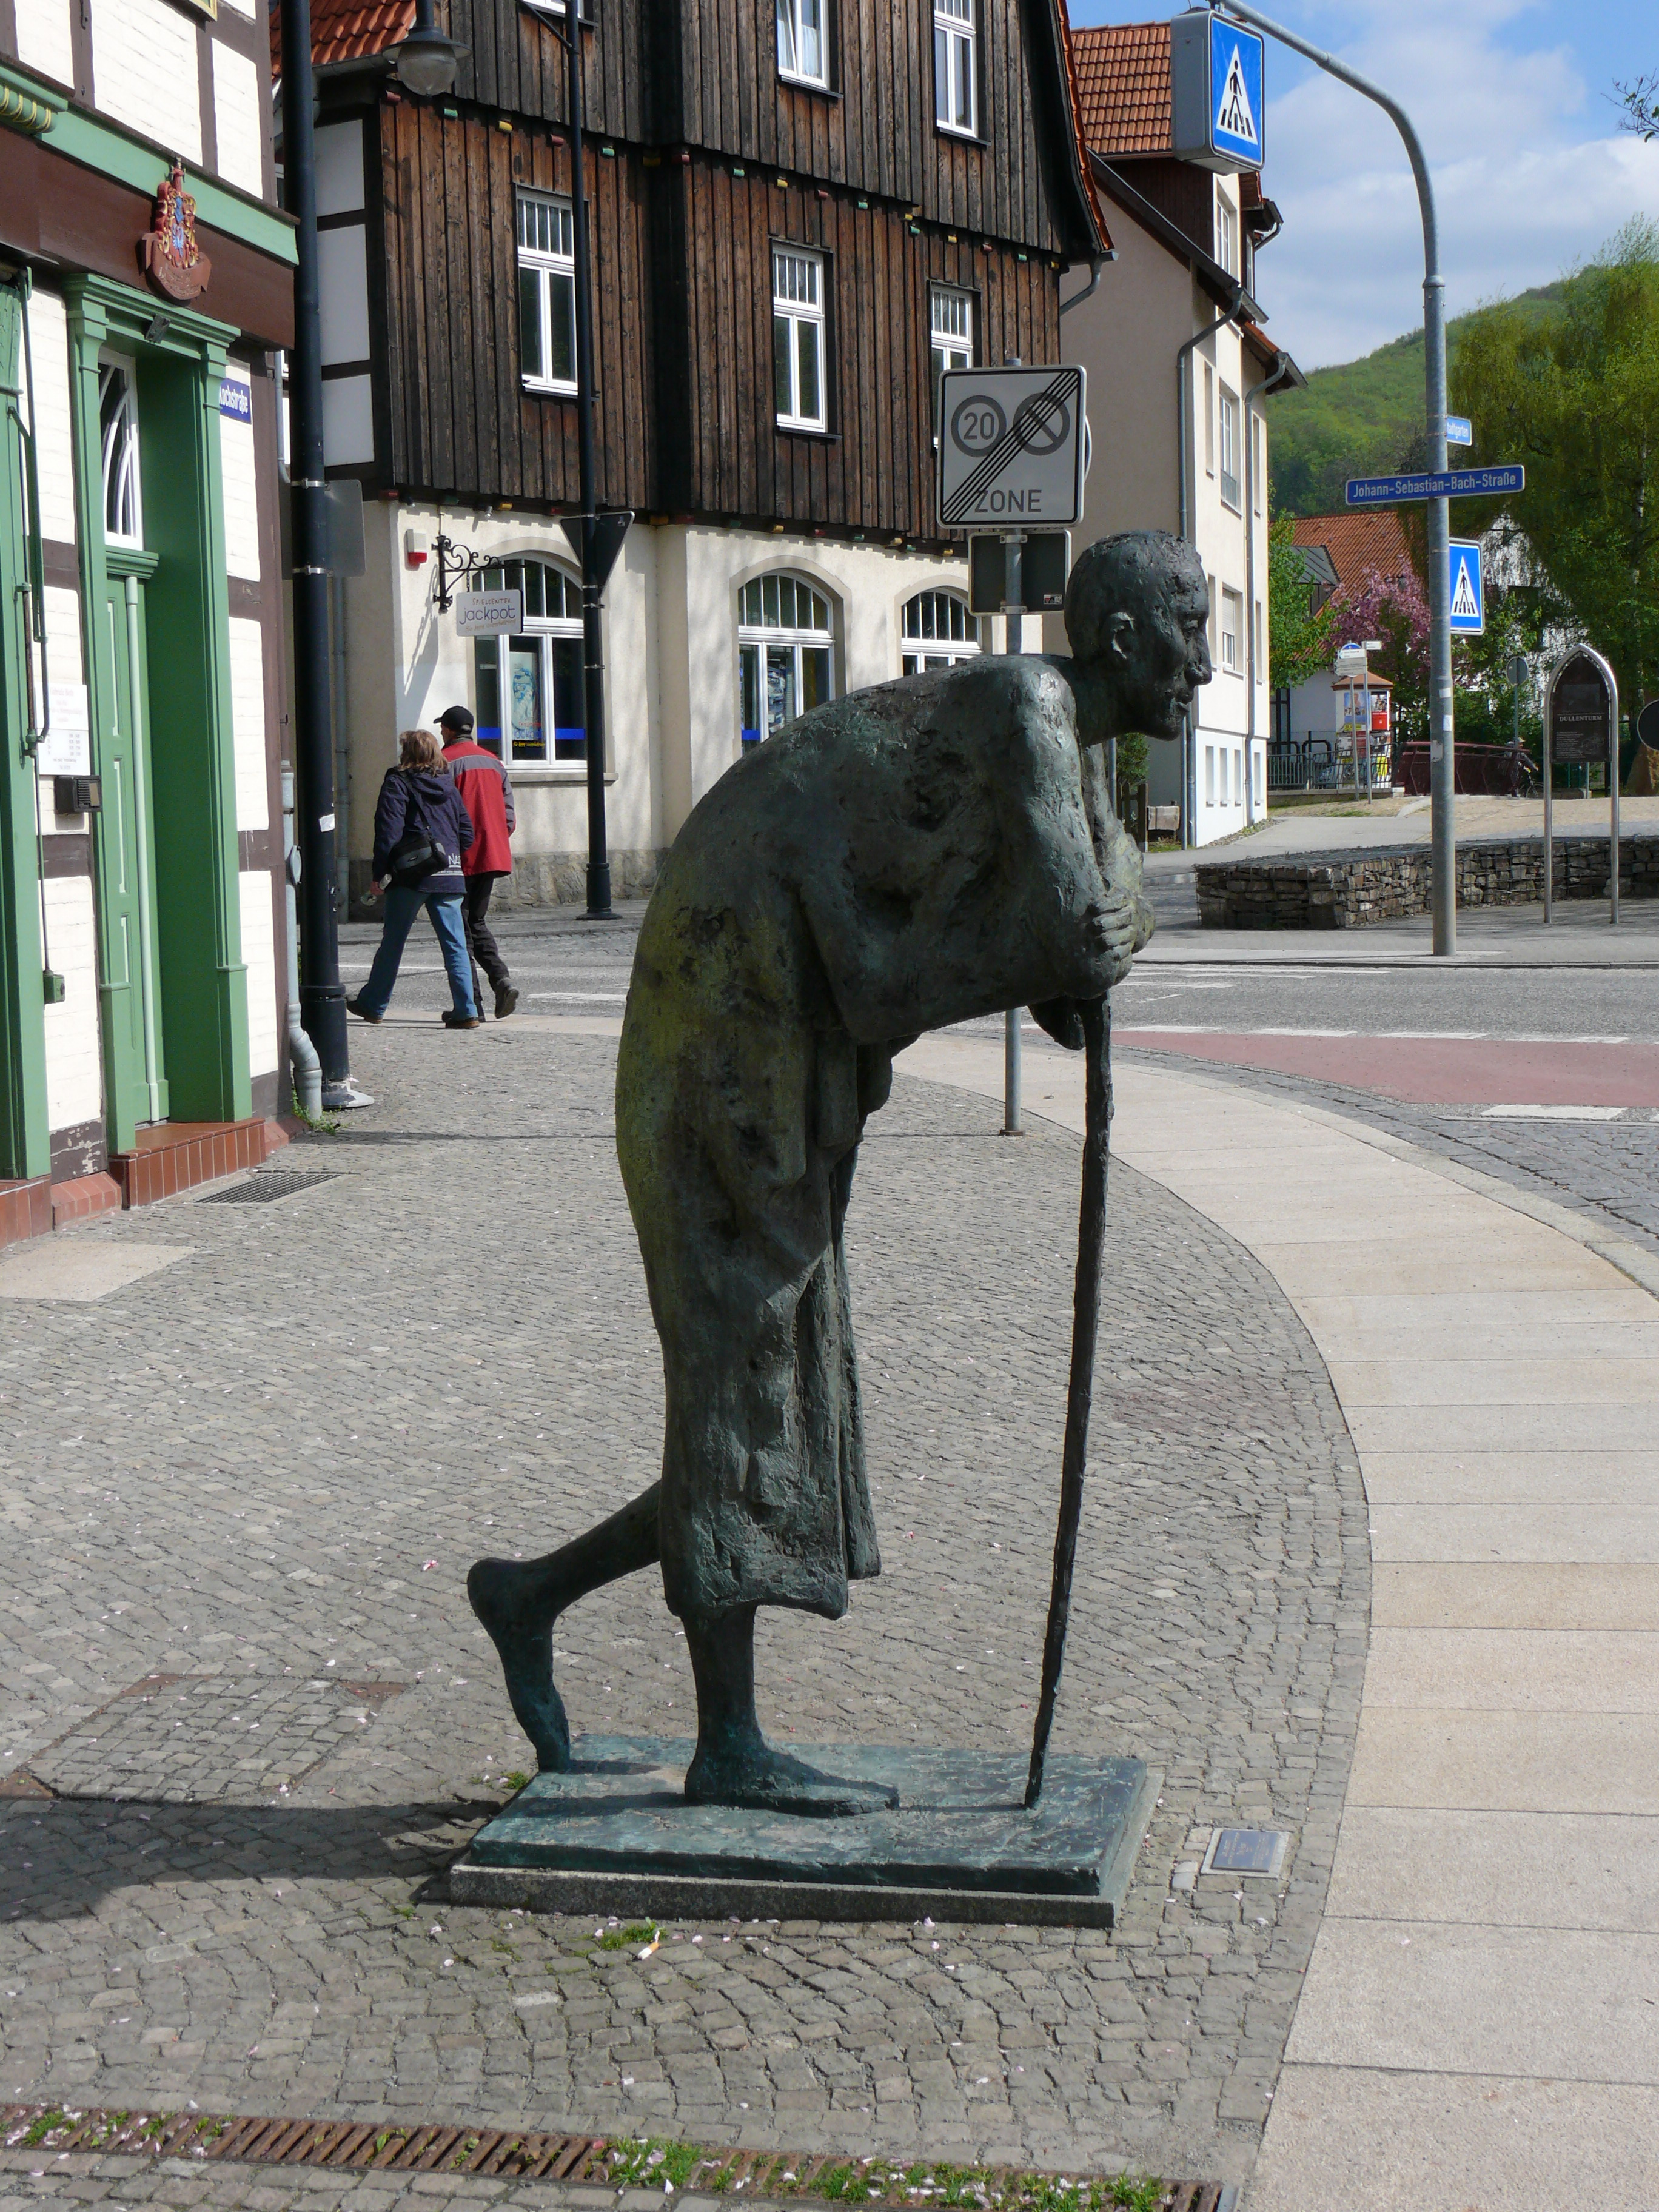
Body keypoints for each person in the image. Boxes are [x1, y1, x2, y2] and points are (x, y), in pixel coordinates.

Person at [469, 531, 1212, 1813]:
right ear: (1123, 640)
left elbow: (1081, 955)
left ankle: (532, 1595)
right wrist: (1083, 941)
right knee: (744, 1370)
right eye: (1192, 633)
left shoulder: (1079, 745)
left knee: (772, 1385)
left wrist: (1102, 929)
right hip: (730, 1007)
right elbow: (1011, 958)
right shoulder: (1027, 705)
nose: (1205, 664)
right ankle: (726, 1743)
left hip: (796, 1017)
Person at [347, 728, 481, 1030]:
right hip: (449, 873)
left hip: (411, 876)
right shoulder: (448, 785)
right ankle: (467, 1010)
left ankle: (373, 1004)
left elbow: (389, 831)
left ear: (406, 752)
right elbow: (467, 833)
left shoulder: (398, 782)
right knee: (456, 945)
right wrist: (447, 853)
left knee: (393, 942)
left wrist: (380, 875)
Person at [439, 705, 520, 1019]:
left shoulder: (444, 762)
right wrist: (497, 838)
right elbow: (509, 814)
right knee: (476, 922)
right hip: (492, 852)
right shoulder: (494, 762)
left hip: (460, 856)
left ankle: (472, 1003)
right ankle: (501, 980)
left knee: (460, 929)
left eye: (442, 729)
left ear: (448, 730)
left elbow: (440, 812)